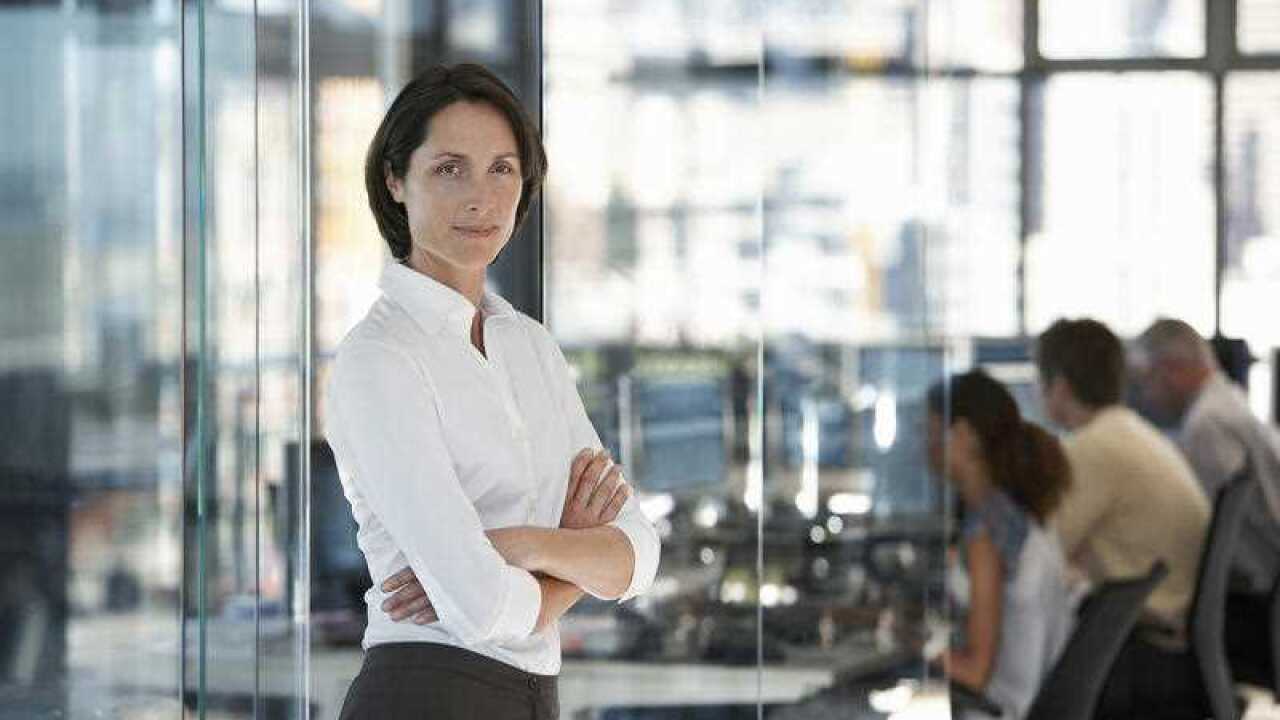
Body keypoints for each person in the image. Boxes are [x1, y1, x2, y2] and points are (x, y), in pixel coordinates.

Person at [325, 64, 661, 720]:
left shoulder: (529, 345)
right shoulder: (380, 358)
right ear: (395, 181)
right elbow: (483, 608)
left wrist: (519, 545)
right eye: (450, 168)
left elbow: (638, 553)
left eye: (502, 168)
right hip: (426, 691)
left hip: (533, 697)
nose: (480, 198)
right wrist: (570, 551)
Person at [1035, 317, 1210, 717]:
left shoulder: (1092, 448)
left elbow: (1038, 558)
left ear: (1058, 387)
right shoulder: (1133, 432)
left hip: (1139, 653)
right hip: (1168, 644)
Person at [1135, 317, 1280, 683]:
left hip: (1252, 607)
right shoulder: (1228, 401)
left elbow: (1215, 536)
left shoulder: (1207, 424)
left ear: (1172, 370)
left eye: (1146, 379)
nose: (1145, 394)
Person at [926, 370, 1075, 719]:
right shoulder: (1018, 513)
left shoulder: (987, 532)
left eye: (930, 430)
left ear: (961, 435)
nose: (925, 444)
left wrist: (910, 648)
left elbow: (976, 673)